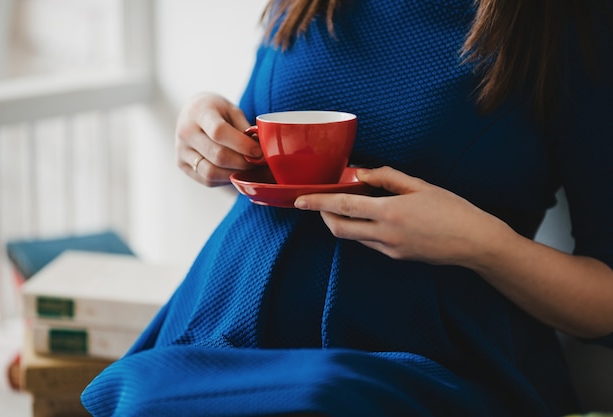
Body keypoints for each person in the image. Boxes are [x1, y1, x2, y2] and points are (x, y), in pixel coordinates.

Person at [82, 0, 613, 415]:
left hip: (419, 364)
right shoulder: (310, 5)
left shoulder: (569, 25)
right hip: (219, 330)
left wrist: (482, 244)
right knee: (137, 395)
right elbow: (260, 160)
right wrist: (204, 131)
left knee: (323, 397)